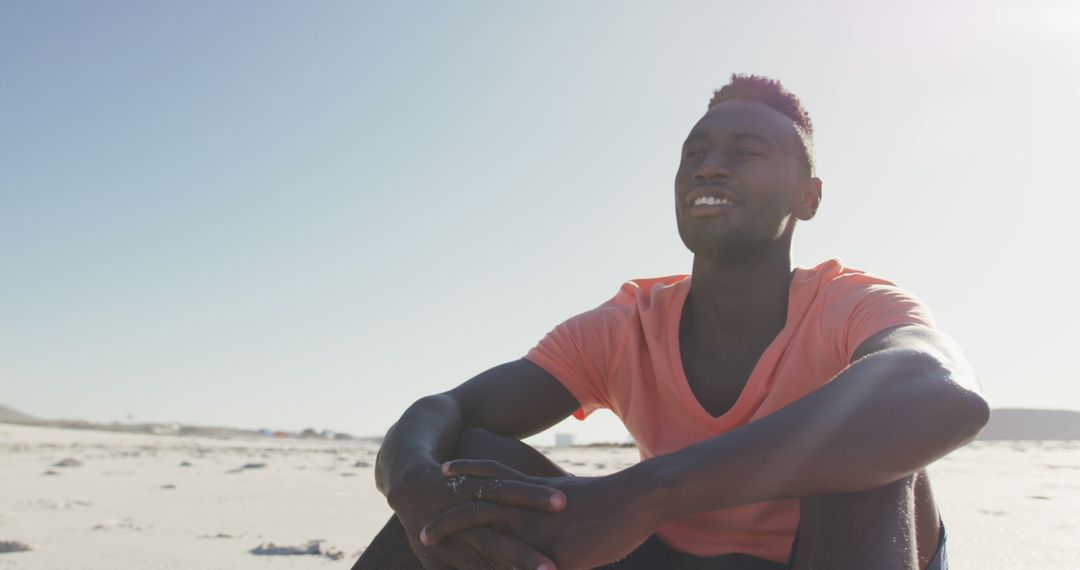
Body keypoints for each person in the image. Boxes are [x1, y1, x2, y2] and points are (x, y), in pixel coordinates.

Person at [353, 74, 988, 570]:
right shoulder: (628, 324)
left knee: (870, 453)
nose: (711, 165)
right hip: (670, 561)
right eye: (696, 152)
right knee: (469, 461)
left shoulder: (850, 304)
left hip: (832, 555)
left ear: (807, 198)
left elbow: (944, 394)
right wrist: (409, 481)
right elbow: (447, 410)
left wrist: (646, 491)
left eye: (746, 151)